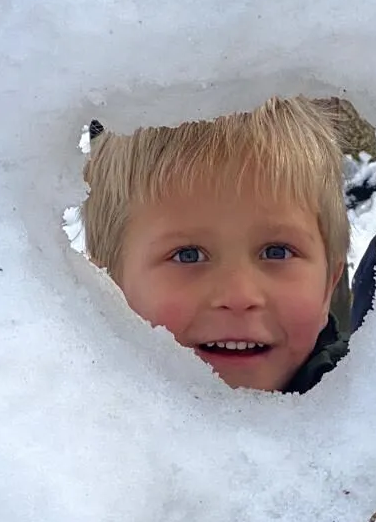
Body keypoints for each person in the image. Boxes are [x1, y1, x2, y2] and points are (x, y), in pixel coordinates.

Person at [82, 96, 350, 392]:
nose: (239, 296)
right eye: (188, 255)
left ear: (329, 286)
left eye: (277, 252)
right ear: (104, 288)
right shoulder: (60, 423)